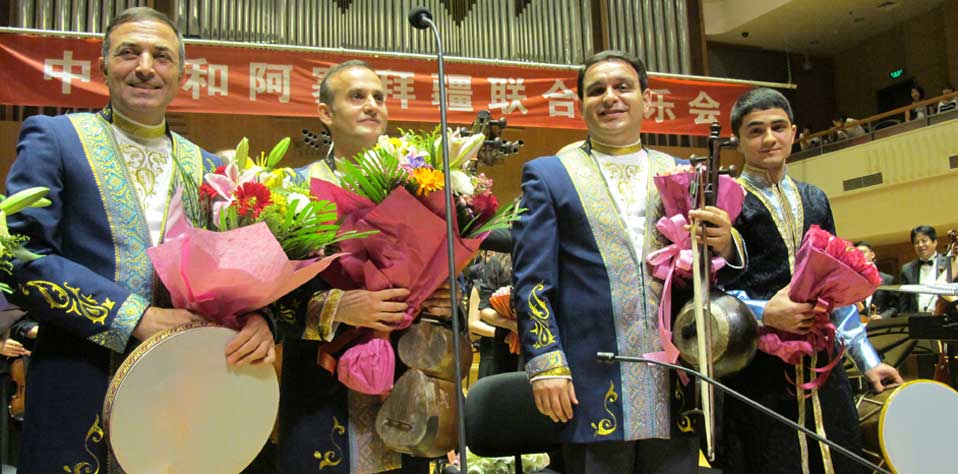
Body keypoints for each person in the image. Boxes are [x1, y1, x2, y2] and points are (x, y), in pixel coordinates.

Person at [2, 7, 276, 473]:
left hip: (185, 389)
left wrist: (260, 320)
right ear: (103, 66)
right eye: (129, 53)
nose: (145, 67)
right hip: (79, 374)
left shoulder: (211, 168)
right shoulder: (56, 139)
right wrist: (136, 317)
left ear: (181, 75)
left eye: (161, 56)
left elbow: (241, 270)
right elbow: (22, 258)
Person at [511, 50, 745, 474]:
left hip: (677, 375)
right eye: (596, 90)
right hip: (590, 376)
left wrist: (726, 244)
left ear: (646, 99)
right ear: (580, 105)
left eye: (623, 87)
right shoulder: (550, 175)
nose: (610, 97)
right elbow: (533, 281)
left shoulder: (682, 173)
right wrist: (546, 362)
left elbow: (710, 270)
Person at [276, 60, 449, 474]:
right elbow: (265, 300)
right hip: (321, 381)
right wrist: (337, 307)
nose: (372, 105)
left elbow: (439, 277)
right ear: (325, 112)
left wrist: (441, 300)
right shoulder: (292, 190)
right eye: (357, 97)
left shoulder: (419, 188)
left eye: (379, 97)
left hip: (403, 384)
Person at [717, 88, 902, 474]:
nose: (769, 138)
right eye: (755, 130)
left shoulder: (815, 198)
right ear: (737, 140)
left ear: (794, 132)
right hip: (757, 372)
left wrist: (868, 360)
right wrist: (765, 313)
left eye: (778, 127)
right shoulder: (725, 202)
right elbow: (708, 292)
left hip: (824, 367)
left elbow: (837, 289)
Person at [898, 225, 951, 314]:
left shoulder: (949, 263)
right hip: (918, 320)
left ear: (935, 242)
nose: (920, 245)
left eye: (924, 241)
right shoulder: (907, 269)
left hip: (946, 317)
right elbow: (904, 303)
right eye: (916, 242)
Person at [853, 241, 897, 319]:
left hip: (882, 324)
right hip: (860, 323)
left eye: (863, 252)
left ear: (872, 254)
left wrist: (882, 317)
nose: (860, 256)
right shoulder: (853, 281)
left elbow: (895, 307)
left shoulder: (887, 279)